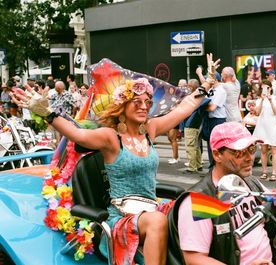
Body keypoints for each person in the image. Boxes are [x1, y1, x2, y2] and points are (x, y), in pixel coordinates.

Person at [13, 53, 220, 265]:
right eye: (136, 101)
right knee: (158, 220)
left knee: (200, 204)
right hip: (122, 219)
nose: (144, 106)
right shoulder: (111, 138)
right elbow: (78, 135)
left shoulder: (150, 129)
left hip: (151, 209)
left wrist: (207, 83)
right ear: (123, 106)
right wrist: (47, 113)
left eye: (147, 102)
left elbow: (184, 108)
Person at [168, 122, 276, 265]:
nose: (249, 157)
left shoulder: (248, 182)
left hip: (275, 259)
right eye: (239, 152)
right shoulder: (202, 199)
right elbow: (194, 259)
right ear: (217, 155)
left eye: (251, 149)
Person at [253, 79, 276, 181]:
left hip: (273, 125)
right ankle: (264, 172)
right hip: (262, 126)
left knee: (274, 149)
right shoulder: (259, 99)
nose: (265, 89)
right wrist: (261, 99)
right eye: (263, 87)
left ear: (271, 88)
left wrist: (270, 100)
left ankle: (274, 173)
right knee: (263, 150)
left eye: (267, 87)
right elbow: (257, 112)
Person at [167, 79, 187, 165]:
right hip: (170, 117)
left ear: (186, 86)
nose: (180, 87)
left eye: (182, 85)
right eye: (179, 85)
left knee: (172, 138)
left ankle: (175, 158)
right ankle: (176, 156)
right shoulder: (177, 94)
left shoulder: (185, 95)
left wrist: (172, 108)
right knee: (170, 138)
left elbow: (180, 107)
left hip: (176, 118)